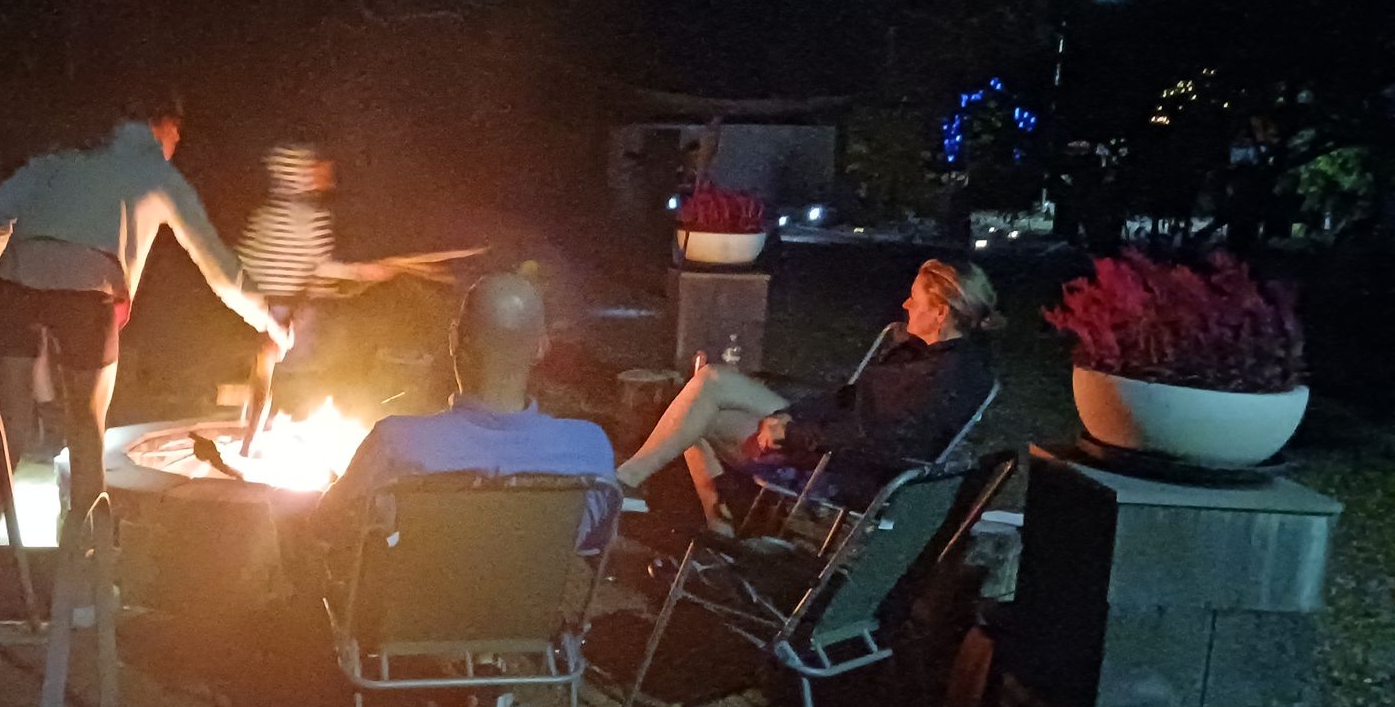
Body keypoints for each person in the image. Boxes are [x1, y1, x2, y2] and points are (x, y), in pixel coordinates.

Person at [0, 96, 294, 525]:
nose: (178, 143)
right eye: (177, 133)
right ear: (160, 126)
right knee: (86, 430)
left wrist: (4, 258)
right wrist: (267, 319)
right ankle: (84, 554)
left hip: (16, 287)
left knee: (6, 431)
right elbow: (217, 266)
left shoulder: (59, 160)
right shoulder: (157, 174)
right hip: (88, 295)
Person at [616, 259, 1000, 533]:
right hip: (828, 432)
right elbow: (849, 397)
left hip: (841, 465)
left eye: (914, 299)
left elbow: (879, 442)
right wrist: (792, 415)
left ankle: (659, 502)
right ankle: (636, 487)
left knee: (697, 414)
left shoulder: (949, 377)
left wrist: (793, 434)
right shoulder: (918, 350)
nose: (905, 305)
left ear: (941, 312)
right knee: (711, 382)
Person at [315, 272, 619, 559]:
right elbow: (592, 548)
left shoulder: (396, 441)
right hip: (531, 613)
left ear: (454, 341)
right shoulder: (590, 448)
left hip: (418, 611)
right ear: (541, 348)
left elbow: (328, 525)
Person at [234, 142, 392, 433]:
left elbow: (244, 263)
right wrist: (363, 272)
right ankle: (286, 429)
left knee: (264, 375)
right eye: (320, 171)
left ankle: (252, 435)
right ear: (300, 174)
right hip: (285, 311)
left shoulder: (265, 216)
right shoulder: (308, 219)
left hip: (257, 309)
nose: (328, 178)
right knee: (293, 372)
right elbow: (318, 267)